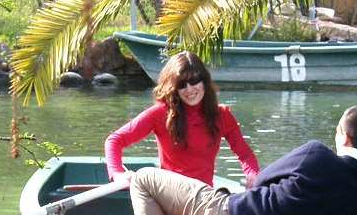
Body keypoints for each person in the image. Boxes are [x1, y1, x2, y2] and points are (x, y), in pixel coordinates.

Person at [129, 105, 357, 215]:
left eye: (337, 130)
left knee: (144, 179)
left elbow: (262, 179)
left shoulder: (316, 154)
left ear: (343, 137)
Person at [104, 51, 259, 188]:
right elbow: (114, 140)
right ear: (173, 88)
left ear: (204, 81)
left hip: (203, 196)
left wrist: (253, 175)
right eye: (182, 84)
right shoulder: (160, 113)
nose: (190, 89)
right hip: (170, 197)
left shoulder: (221, 115)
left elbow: (244, 153)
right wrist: (117, 174)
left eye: (194, 81)